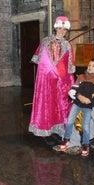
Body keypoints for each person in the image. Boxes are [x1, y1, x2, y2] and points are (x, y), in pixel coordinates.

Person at [28, 16, 75, 145]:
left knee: (59, 106)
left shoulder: (68, 45)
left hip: (61, 82)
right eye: (60, 28)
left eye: (64, 29)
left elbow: (69, 67)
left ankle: (56, 131)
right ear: (56, 28)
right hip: (47, 81)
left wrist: (69, 83)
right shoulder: (46, 41)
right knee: (47, 105)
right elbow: (42, 62)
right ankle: (45, 131)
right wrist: (52, 75)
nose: (62, 31)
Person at [53, 58, 94, 157]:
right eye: (89, 65)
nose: (90, 67)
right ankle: (66, 140)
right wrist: (80, 97)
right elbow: (74, 89)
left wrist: (90, 101)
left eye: (93, 66)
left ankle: (85, 145)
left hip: (88, 106)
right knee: (70, 121)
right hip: (77, 103)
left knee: (85, 126)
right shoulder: (81, 77)